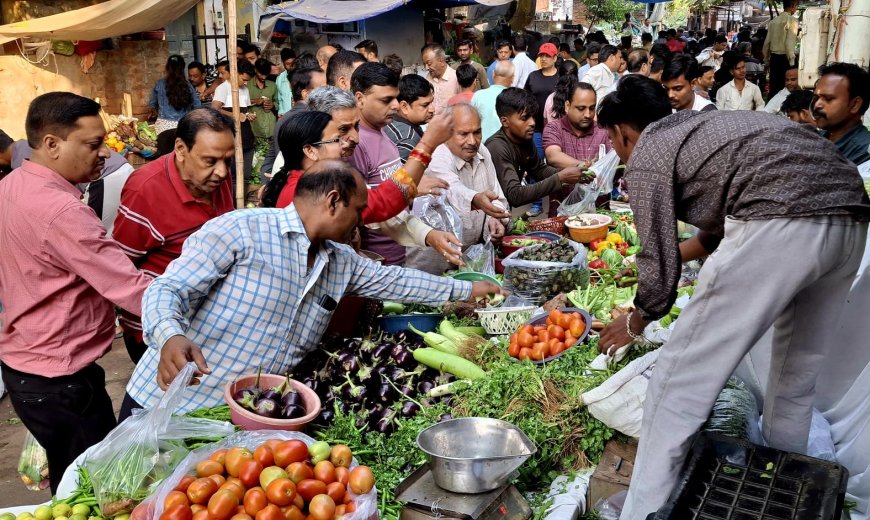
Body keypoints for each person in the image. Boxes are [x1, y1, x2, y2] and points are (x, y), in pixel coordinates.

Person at [596, 74, 870, 519]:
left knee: (678, 380)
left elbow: (657, 264)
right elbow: (709, 237)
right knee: (794, 381)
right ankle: (786, 495)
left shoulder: (647, 150)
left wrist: (636, 319)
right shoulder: (708, 128)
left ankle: (642, 509)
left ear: (623, 132)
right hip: (849, 225)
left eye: (615, 142)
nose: (620, 152)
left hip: (783, 221)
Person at [121, 159, 505, 415]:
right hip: (167, 405)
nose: (360, 223)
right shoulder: (241, 230)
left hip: (244, 413)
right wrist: (170, 335)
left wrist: (468, 291)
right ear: (334, 201)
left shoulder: (340, 261)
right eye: (358, 211)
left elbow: (398, 281)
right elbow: (166, 289)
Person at [0, 92, 151, 493]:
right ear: (51, 144)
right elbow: (129, 287)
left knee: (71, 478)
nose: (105, 153)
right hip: (59, 378)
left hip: (25, 366)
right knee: (93, 489)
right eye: (92, 144)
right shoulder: (63, 213)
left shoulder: (11, 185)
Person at [113, 108, 235, 364]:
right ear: (180, 148)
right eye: (210, 161)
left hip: (206, 322)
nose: (223, 172)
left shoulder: (217, 177)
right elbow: (121, 266)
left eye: (227, 160)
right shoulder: (144, 189)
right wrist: (161, 319)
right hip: (159, 331)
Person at [349, 62, 462, 265]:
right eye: (386, 100)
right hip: (373, 261)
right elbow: (370, 206)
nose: (395, 105)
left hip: (397, 254)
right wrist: (428, 145)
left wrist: (427, 234)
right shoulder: (355, 143)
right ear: (360, 99)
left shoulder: (384, 131)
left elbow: (394, 197)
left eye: (395, 97)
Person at [406, 104, 510, 274]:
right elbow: (453, 189)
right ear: (447, 134)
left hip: (466, 258)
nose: (472, 141)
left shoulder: (482, 151)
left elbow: (497, 196)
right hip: (433, 261)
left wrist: (495, 218)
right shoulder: (438, 155)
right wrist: (477, 199)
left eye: (477, 132)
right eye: (463, 134)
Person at [0, 129, 134, 232]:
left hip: (106, 177)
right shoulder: (26, 146)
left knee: (95, 236)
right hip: (118, 170)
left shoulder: (23, 162)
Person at [485, 88, 591, 209]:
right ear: (505, 121)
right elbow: (514, 195)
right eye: (525, 118)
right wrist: (560, 178)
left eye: (533, 117)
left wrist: (572, 174)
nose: (532, 123)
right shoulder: (497, 147)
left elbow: (538, 169)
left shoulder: (524, 139)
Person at [261, 66, 327, 177]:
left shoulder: (285, 119)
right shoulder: (307, 121)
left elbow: (270, 159)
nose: (328, 93)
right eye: (323, 89)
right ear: (306, 94)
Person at [523, 41, 560, 217]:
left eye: (547, 56)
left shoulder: (562, 78)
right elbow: (525, 100)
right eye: (541, 56)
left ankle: (557, 202)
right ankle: (536, 203)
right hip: (536, 129)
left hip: (558, 130)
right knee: (535, 165)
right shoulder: (533, 77)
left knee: (557, 166)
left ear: (555, 57)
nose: (544, 59)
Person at [812, 62, 870, 165]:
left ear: (854, 105)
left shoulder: (864, 151)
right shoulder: (815, 138)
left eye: (828, 99)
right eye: (816, 98)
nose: (817, 105)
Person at [543, 81, 611, 168]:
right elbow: (553, 156)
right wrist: (585, 167)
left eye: (592, 108)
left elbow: (613, 160)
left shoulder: (603, 131)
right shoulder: (554, 128)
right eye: (581, 108)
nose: (587, 114)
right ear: (567, 106)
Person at [212, 59, 257, 188]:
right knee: (232, 176)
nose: (246, 82)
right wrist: (235, 116)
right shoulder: (223, 88)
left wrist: (248, 116)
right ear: (235, 73)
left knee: (246, 175)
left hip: (246, 138)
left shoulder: (245, 90)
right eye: (244, 79)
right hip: (231, 137)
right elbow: (215, 108)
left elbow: (245, 111)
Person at [149, 55, 201, 156]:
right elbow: (197, 106)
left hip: (163, 128)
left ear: (167, 67)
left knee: (166, 160)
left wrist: (154, 112)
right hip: (183, 127)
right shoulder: (188, 85)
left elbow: (152, 105)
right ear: (183, 68)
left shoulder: (159, 84)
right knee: (184, 158)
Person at [386, 74, 435, 162]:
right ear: (404, 107)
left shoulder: (389, 121)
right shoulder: (408, 139)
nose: (432, 109)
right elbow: (403, 175)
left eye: (431, 103)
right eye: (425, 105)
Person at [763, 0, 799, 96]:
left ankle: (772, 109)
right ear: (792, 6)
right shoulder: (793, 21)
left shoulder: (773, 21)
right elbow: (789, 43)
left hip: (774, 59)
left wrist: (766, 59)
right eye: (796, 6)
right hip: (785, 58)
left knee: (774, 86)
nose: (796, 9)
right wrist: (792, 61)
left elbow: (767, 43)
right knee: (788, 87)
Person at [473, 60, 515, 141]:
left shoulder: (477, 95)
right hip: (505, 147)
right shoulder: (514, 98)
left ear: (493, 74)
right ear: (512, 78)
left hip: (481, 145)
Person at [248, 58, 278, 154]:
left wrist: (273, 105)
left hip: (270, 128)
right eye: (261, 74)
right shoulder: (246, 85)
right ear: (256, 70)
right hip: (254, 128)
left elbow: (278, 103)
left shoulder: (273, 85)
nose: (264, 77)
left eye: (266, 74)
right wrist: (253, 101)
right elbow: (238, 104)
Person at [422, 44, 460, 112]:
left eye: (429, 63)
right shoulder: (427, 78)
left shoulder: (456, 78)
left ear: (441, 61)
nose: (426, 68)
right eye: (424, 64)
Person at [544, 60, 581, 124]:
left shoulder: (550, 98)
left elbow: (546, 123)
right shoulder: (581, 97)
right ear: (577, 76)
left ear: (559, 76)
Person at [276, 47, 297, 116]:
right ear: (283, 62)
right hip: (286, 116)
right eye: (288, 64)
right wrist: (280, 112)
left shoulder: (302, 76)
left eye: (293, 63)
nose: (291, 66)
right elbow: (279, 99)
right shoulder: (280, 79)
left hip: (300, 115)